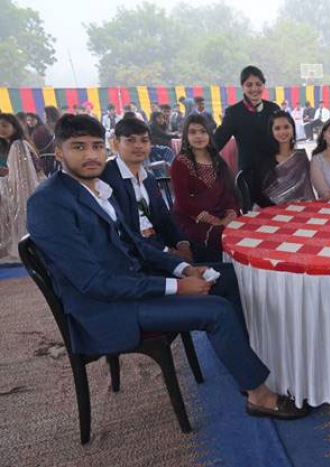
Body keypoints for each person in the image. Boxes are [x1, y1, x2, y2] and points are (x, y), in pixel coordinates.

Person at [27, 114, 309, 421]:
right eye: (79, 147)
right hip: (107, 309)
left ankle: (246, 363)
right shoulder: (49, 201)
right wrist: (177, 286)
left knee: (231, 276)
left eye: (96, 146)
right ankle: (259, 395)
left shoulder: (93, 188)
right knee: (216, 310)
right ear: (59, 152)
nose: (91, 155)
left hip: (134, 282)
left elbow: (135, 244)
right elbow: (94, 282)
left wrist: (181, 269)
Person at [101, 118, 192, 262]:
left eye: (144, 141)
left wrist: (182, 243)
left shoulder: (149, 179)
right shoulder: (107, 178)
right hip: (134, 256)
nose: (138, 146)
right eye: (130, 140)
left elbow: (164, 216)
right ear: (116, 144)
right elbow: (125, 234)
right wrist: (169, 252)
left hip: (159, 245)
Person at [171, 114, 240, 263]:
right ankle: (224, 270)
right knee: (221, 234)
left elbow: (228, 192)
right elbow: (183, 201)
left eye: (203, 131)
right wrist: (214, 220)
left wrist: (230, 214)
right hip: (192, 218)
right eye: (193, 132)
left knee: (242, 228)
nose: (198, 136)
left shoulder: (217, 160)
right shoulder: (180, 163)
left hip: (221, 212)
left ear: (209, 134)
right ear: (186, 136)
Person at [214, 66, 280, 173]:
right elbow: (218, 141)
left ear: (264, 85)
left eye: (258, 84)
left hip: (274, 171)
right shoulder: (233, 113)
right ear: (242, 87)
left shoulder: (273, 109)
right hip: (248, 174)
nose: (254, 89)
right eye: (249, 85)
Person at [247, 110, 315, 207]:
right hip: (270, 209)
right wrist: (280, 207)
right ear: (271, 132)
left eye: (286, 127)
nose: (282, 132)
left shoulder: (300, 158)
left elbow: (307, 190)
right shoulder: (263, 159)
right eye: (277, 128)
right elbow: (257, 193)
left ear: (293, 129)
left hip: (300, 208)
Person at [0, 113, 42, 260]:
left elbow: (23, 176)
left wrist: (4, 173)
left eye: (5, 126)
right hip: (12, 188)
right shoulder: (8, 145)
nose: (1, 129)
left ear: (14, 126)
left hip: (21, 191)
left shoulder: (18, 145)